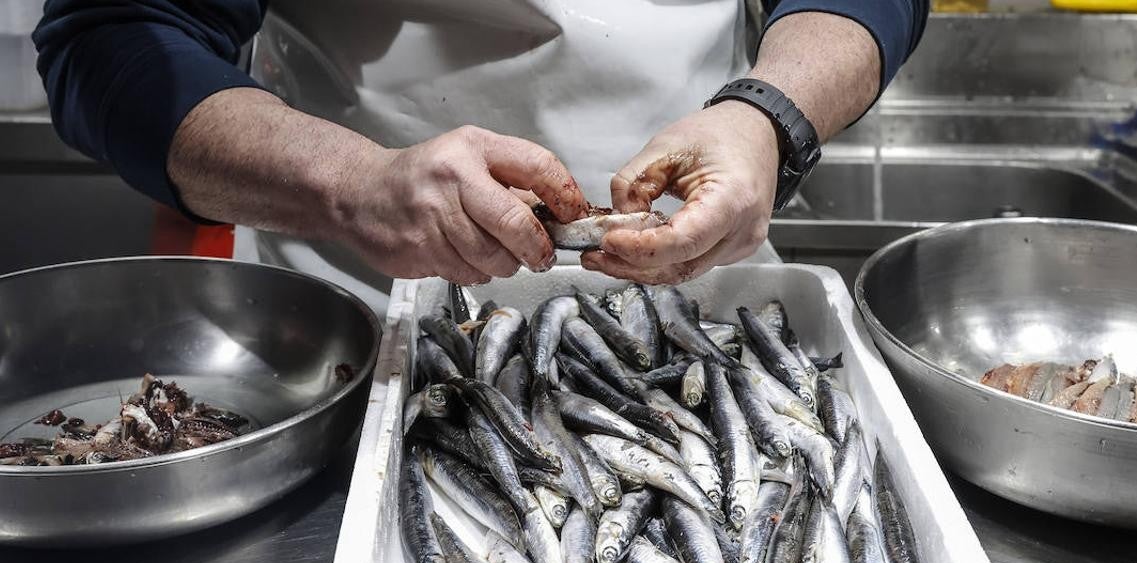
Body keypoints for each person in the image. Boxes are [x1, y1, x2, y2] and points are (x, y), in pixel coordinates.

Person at [34, 0, 927, 314]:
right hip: (364, 325)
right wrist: (351, 183)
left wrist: (768, 117)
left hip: (715, 301)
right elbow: (111, 34)